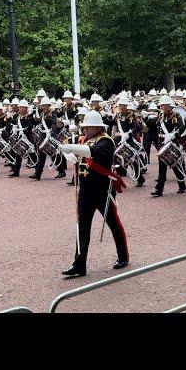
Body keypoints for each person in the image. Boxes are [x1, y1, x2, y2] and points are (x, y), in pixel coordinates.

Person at [60, 110, 129, 277]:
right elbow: (63, 143)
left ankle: (123, 256)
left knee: (113, 223)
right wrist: (67, 153)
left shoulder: (106, 141)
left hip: (102, 190)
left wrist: (73, 148)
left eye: (89, 127)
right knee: (82, 227)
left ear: (97, 127)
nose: (85, 130)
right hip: (85, 190)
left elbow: (93, 152)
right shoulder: (84, 139)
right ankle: (79, 264)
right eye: (84, 127)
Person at [150, 95, 186, 197]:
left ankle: (182, 184)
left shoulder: (175, 115)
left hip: (172, 143)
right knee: (162, 167)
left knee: (174, 165)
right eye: (161, 105)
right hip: (162, 143)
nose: (161, 107)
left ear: (168, 105)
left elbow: (182, 128)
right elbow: (153, 125)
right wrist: (146, 118)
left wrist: (174, 134)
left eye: (163, 105)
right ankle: (159, 189)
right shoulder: (161, 116)